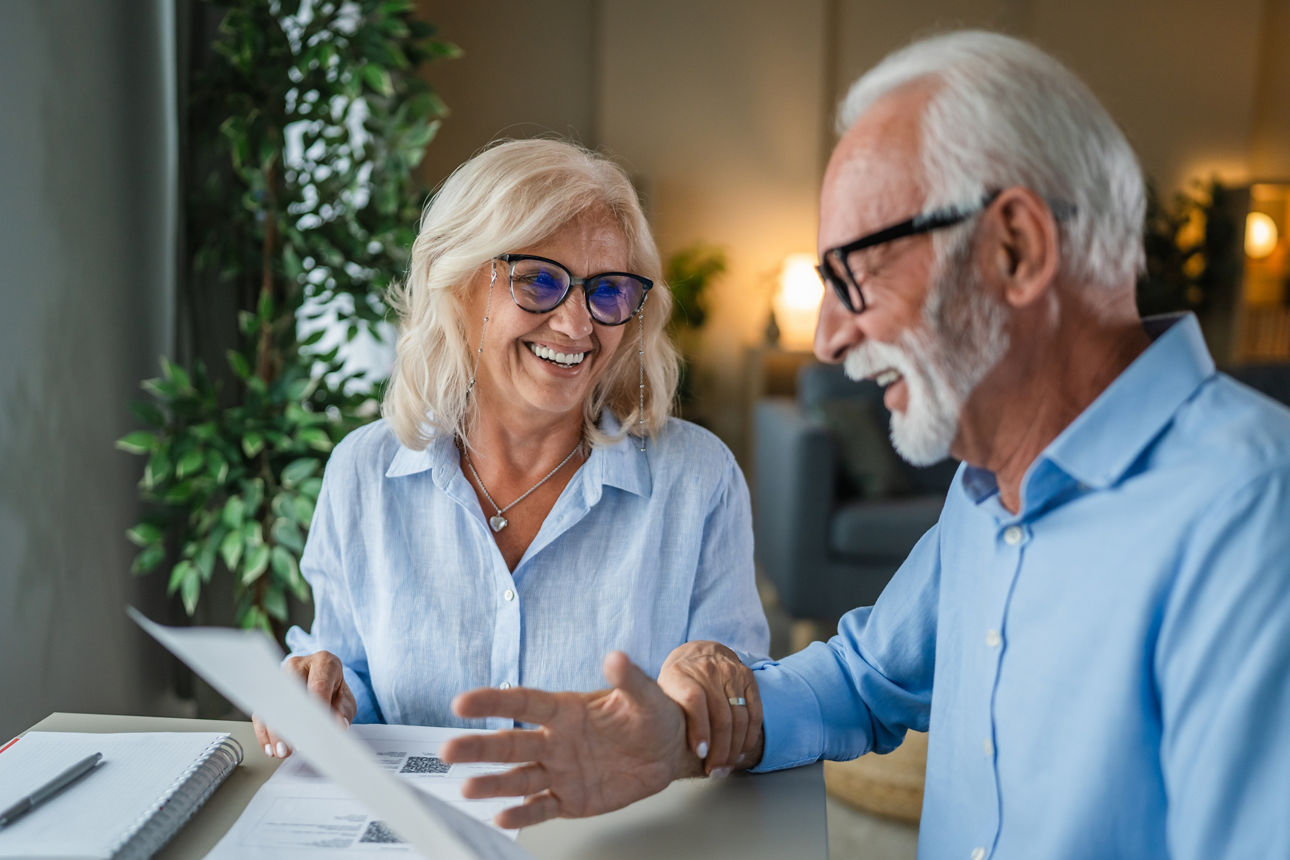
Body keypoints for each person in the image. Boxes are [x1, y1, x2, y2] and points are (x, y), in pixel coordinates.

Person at [439, 31, 1290, 858]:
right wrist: (681, 732)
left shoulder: (1254, 513)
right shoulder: (987, 492)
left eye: (854, 272)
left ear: (1015, 248)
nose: (828, 339)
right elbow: (862, 680)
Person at [252, 139, 769, 759]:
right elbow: (356, 677)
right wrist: (324, 690)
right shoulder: (363, 472)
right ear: (458, 285)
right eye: (539, 281)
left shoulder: (698, 479)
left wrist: (721, 689)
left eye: (607, 291)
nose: (577, 326)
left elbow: (738, 704)